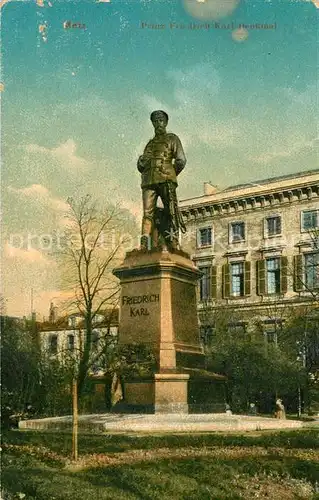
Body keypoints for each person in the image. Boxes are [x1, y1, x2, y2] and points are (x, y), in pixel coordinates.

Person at [137, 110, 187, 250]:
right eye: (155, 121)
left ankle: (173, 242)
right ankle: (144, 243)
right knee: (147, 213)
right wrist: (140, 162)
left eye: (161, 120)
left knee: (170, 210)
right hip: (149, 181)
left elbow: (181, 160)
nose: (158, 123)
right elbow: (142, 165)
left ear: (165, 123)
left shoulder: (172, 139)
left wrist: (171, 173)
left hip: (166, 179)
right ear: (153, 123)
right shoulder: (150, 144)